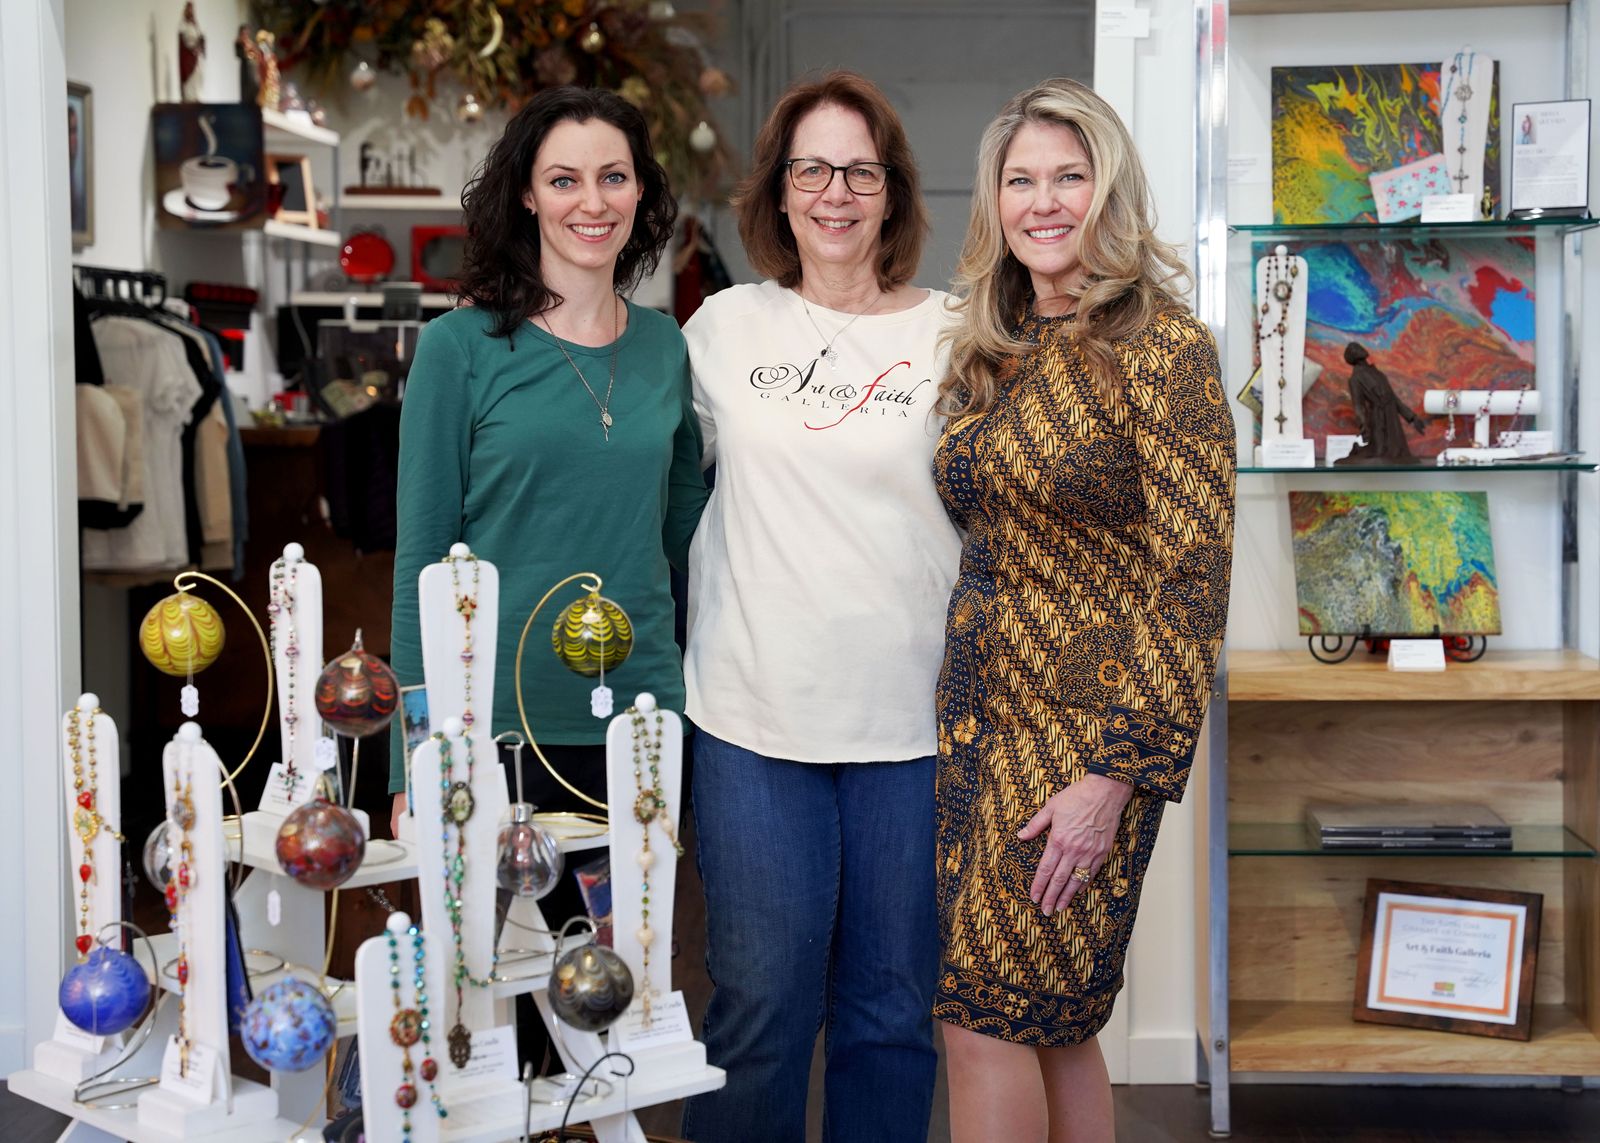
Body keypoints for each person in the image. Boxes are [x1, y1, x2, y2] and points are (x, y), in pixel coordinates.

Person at [932, 78, 1234, 1142]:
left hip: (1088, 743)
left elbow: (1194, 580)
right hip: (978, 727)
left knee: (981, 1022)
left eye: (1069, 175)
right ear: (995, 202)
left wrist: (1115, 780)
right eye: (1020, 180)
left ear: (1109, 189)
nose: (1043, 201)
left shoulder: (1165, 349)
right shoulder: (993, 352)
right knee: (1048, 1021)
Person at [679, 71, 961, 1142]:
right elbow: (649, 488)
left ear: (891, 192)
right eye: (811, 169)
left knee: (891, 1015)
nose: (834, 192)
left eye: (859, 170)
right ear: (778, 191)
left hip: (914, 724)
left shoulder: (955, 333)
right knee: (759, 1008)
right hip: (753, 717)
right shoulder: (723, 326)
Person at [388, 86, 705, 839]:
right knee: (493, 959)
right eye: (564, 179)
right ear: (527, 196)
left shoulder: (666, 346)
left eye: (613, 177)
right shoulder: (457, 348)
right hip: (491, 722)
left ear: (640, 192)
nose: (591, 202)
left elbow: (694, 537)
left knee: (629, 954)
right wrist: (414, 756)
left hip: (645, 716)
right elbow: (421, 567)